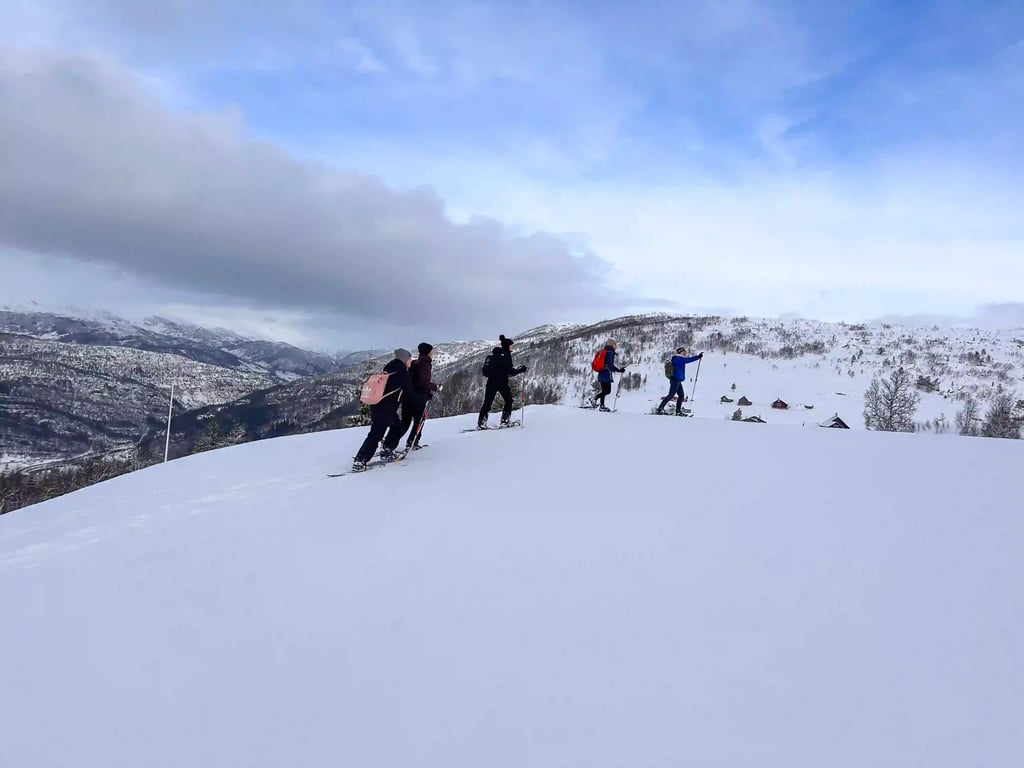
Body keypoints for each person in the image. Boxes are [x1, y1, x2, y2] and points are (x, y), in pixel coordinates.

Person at [352, 348, 417, 471]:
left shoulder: (389, 368)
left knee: (396, 426)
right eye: (409, 359)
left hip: (378, 405)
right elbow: (410, 393)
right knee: (377, 433)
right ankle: (360, 460)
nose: (410, 361)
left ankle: (386, 449)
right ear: (404, 360)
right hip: (385, 409)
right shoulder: (402, 373)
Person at [383, 342, 440, 453]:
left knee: (405, 423)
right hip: (419, 397)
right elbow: (423, 382)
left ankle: (389, 443)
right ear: (428, 352)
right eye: (432, 351)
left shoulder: (414, 363)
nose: (433, 353)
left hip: (407, 397)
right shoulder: (425, 364)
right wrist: (435, 387)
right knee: (419, 421)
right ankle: (413, 442)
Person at [478, 334, 527, 428]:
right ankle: (505, 421)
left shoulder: (492, 356)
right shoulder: (506, 356)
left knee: (487, 402)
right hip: (502, 382)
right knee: (508, 400)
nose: (513, 347)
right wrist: (520, 370)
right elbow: (510, 371)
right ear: (507, 346)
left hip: (491, 382)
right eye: (511, 345)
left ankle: (481, 422)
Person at [656, 346, 703, 415]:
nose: (685, 353)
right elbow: (688, 360)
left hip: (677, 381)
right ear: (680, 352)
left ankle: (678, 411)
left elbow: (686, 360)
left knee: (681, 396)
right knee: (671, 395)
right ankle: (660, 409)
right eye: (684, 352)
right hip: (675, 380)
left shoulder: (679, 359)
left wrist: (698, 357)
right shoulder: (678, 359)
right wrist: (698, 357)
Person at [591, 338, 626, 411]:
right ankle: (597, 401)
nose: (616, 346)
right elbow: (610, 365)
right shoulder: (610, 352)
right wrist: (619, 370)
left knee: (605, 390)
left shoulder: (605, 351)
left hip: (601, 373)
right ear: (612, 345)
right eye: (615, 344)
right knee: (607, 391)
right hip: (606, 374)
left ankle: (599, 403)